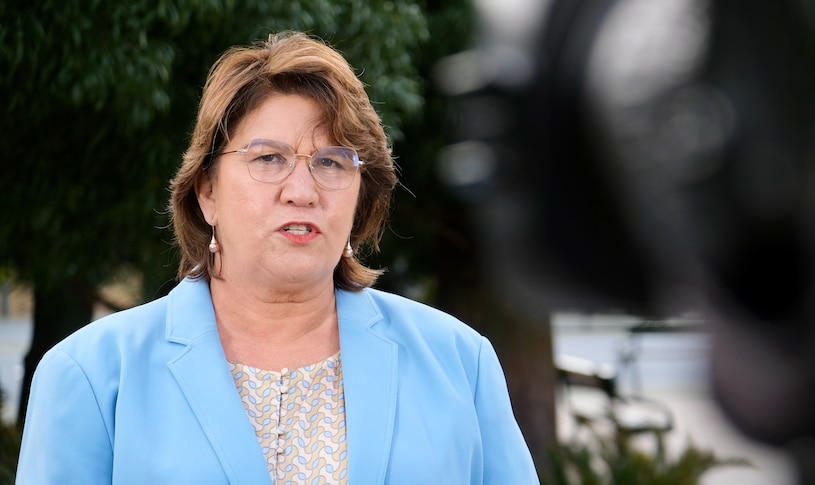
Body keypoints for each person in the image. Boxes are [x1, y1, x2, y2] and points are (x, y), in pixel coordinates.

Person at [16, 31, 539, 484]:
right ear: (207, 192)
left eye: (333, 162)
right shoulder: (90, 374)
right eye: (269, 158)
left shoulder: (457, 362)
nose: (303, 190)